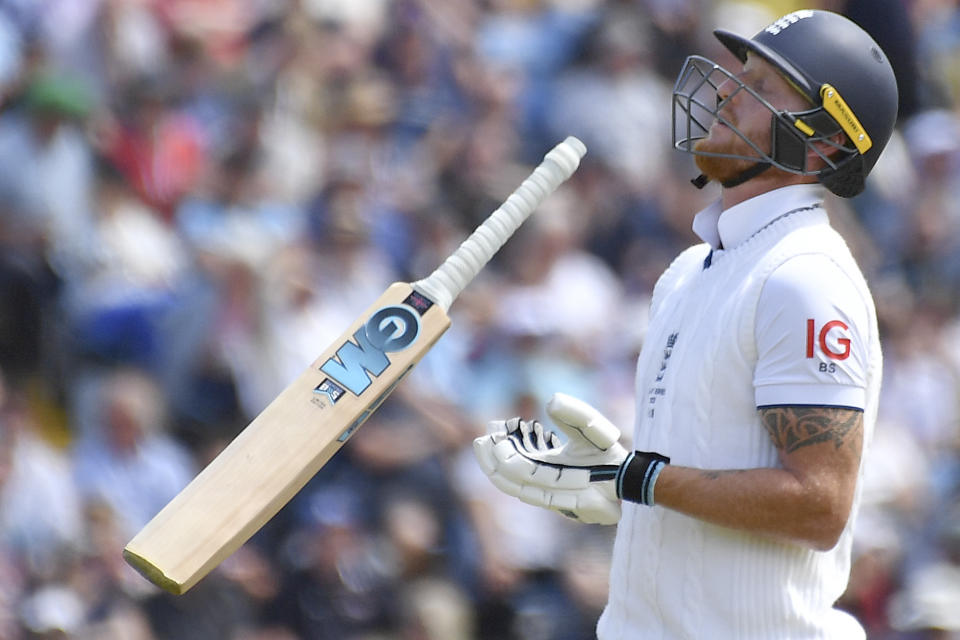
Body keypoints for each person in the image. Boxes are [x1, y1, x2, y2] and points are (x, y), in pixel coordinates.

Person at [473, 9, 898, 639]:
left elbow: (818, 504)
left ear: (825, 141)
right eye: (739, 72)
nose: (727, 90)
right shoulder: (689, 271)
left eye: (761, 87)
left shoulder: (806, 277)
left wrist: (636, 477)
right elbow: (691, 470)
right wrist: (615, 471)